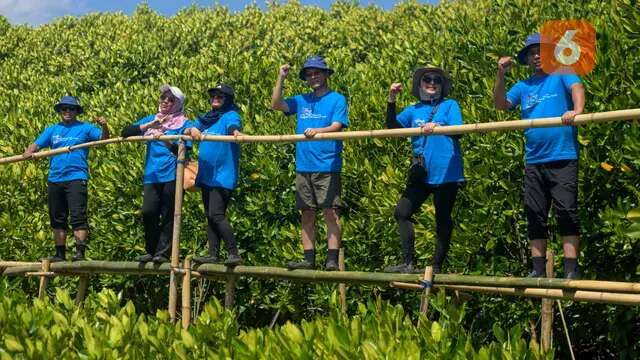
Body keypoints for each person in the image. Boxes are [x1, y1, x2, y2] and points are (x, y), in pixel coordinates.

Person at [493, 33, 585, 279]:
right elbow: (501, 104)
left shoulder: (562, 73)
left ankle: (570, 269)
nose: (536, 56)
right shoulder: (523, 86)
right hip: (534, 160)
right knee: (534, 213)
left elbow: (577, 87)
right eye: (532, 53)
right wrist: (500, 74)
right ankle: (537, 268)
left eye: (541, 51)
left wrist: (576, 111)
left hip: (563, 156)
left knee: (566, 211)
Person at [271, 55, 349, 270]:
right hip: (303, 165)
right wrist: (281, 77)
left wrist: (318, 131)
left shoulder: (337, 99)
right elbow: (276, 104)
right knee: (307, 213)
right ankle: (309, 259)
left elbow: (337, 125)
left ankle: (331, 259)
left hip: (327, 165)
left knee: (331, 213)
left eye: (317, 72)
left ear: (325, 74)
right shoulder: (302, 100)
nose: (313, 77)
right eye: (309, 74)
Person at [383, 67, 465, 274]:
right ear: (419, 84)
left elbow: (459, 132)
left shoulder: (450, 105)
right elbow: (392, 129)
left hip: (447, 172)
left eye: (437, 80)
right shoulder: (413, 109)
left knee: (442, 218)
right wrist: (391, 100)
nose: (432, 83)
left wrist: (437, 125)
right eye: (427, 79)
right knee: (402, 212)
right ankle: (408, 263)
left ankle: (436, 266)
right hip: (422, 172)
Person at [23, 95, 109, 262]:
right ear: (60, 111)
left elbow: (104, 140)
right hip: (55, 178)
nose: (67, 111)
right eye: (64, 109)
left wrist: (104, 125)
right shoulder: (52, 129)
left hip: (76, 177)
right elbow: (36, 145)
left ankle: (79, 253)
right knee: (57, 216)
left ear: (76, 111)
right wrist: (29, 151)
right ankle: (60, 253)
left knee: (78, 215)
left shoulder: (86, 128)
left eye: (71, 109)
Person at [121, 85, 192, 263]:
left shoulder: (185, 123)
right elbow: (125, 133)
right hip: (152, 174)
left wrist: (168, 141)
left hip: (173, 173)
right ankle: (151, 250)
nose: (165, 102)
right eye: (162, 98)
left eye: (170, 99)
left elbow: (184, 152)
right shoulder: (153, 119)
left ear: (178, 103)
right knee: (148, 211)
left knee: (169, 213)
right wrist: (150, 126)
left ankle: (163, 253)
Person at [185, 84, 243, 266]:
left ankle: (234, 253)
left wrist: (236, 133)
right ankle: (213, 254)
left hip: (222, 175)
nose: (215, 99)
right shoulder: (207, 119)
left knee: (217, 214)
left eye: (220, 96)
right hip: (207, 175)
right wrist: (191, 130)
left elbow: (234, 127)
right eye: (213, 96)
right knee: (210, 215)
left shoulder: (230, 115)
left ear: (228, 99)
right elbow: (191, 128)